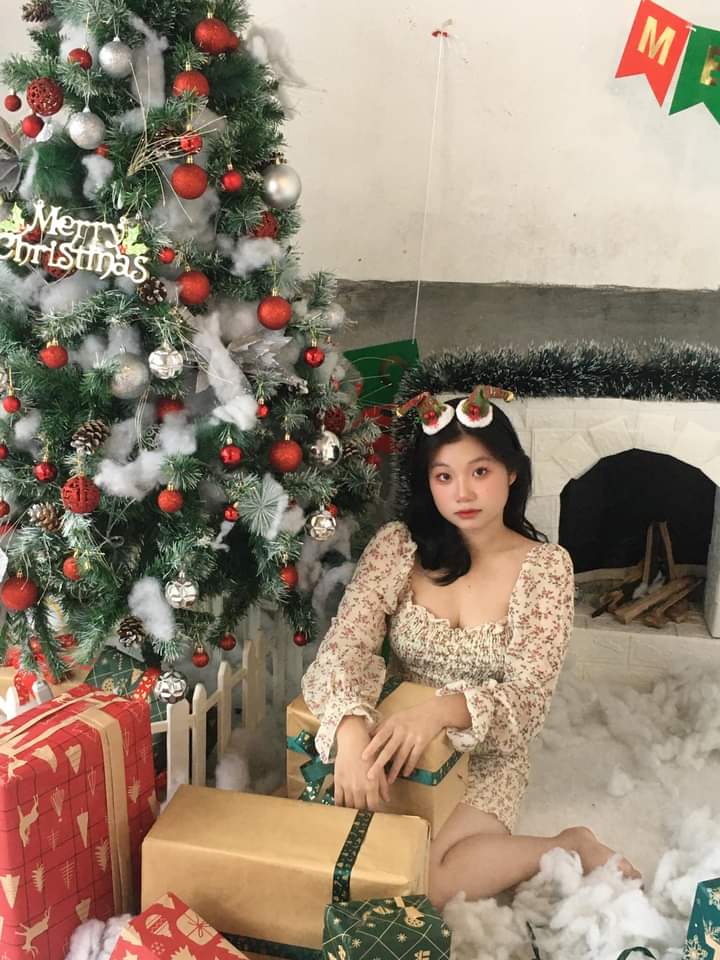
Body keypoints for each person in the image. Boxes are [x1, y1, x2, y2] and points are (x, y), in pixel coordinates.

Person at [301, 384, 642, 909]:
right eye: (444, 476)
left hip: (486, 755)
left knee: (425, 883)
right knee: (353, 865)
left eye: (479, 471)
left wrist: (441, 712)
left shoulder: (545, 569)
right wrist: (348, 728)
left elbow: (528, 702)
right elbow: (344, 647)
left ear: (512, 473)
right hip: (394, 742)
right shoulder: (398, 547)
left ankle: (569, 844)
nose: (462, 493)